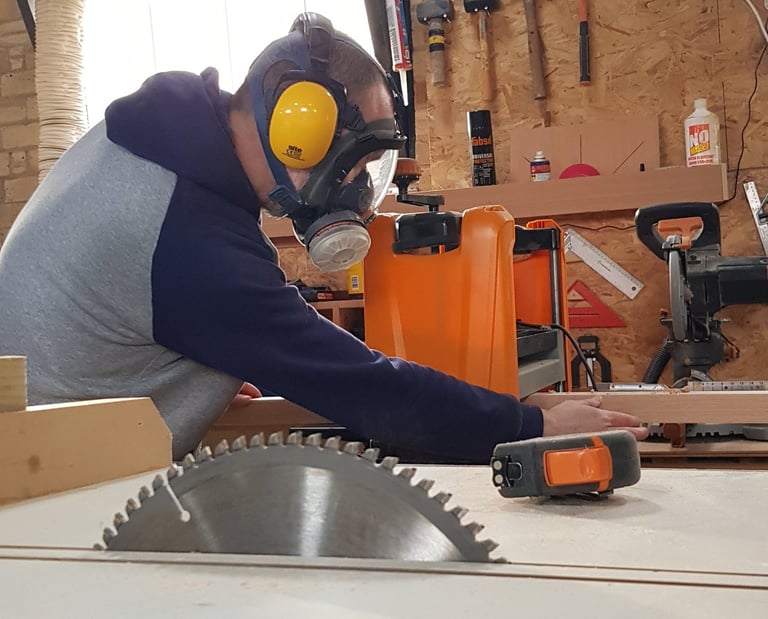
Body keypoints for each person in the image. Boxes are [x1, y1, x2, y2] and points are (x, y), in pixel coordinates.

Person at [0, 13, 647, 462]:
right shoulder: (188, 237)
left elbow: (115, 309)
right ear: (297, 127)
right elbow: (368, 389)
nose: (358, 189)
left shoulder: (164, 139)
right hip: (53, 487)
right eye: (358, 163)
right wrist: (528, 423)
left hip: (46, 439)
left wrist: (194, 360)